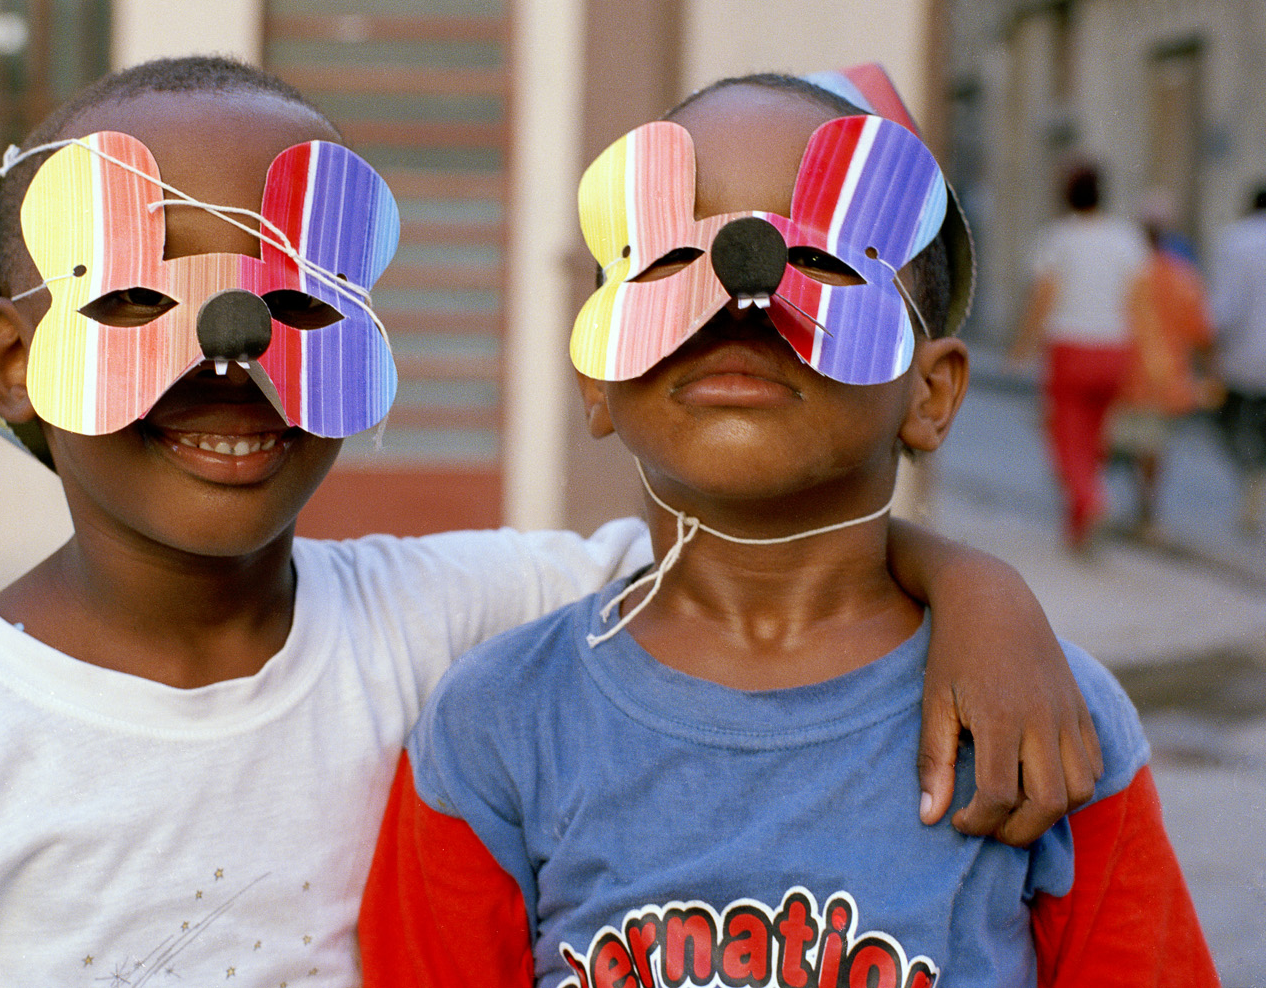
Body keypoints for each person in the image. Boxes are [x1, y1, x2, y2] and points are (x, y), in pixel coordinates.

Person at [0, 57, 1101, 985]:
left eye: (294, 307)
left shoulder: (440, 615)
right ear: (20, 360)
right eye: (141, 305)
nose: (228, 356)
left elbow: (747, 551)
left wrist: (981, 590)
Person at [359, 70, 1215, 986]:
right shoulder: (496, 728)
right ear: (596, 375)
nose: (742, 288)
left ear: (931, 394)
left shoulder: (1043, 724)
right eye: (666, 263)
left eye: (826, 263)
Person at [1011, 164, 1149, 549]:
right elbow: (1138, 301)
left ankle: (1091, 500)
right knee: (1094, 438)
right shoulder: (1127, 238)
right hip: (1115, 349)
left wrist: (1023, 345)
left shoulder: (1057, 237)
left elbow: (1045, 295)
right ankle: (1077, 526)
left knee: (1065, 435)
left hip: (1071, 348)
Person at [1106, 195, 1216, 539]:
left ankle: (1124, 506)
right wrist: (1211, 371)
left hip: (1125, 374)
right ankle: (1146, 511)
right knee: (1153, 448)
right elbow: (1201, 331)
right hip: (1166, 378)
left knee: (1122, 444)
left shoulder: (1126, 273)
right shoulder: (1184, 276)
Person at [1208, 184, 1266, 535]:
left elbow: (1225, 303)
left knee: (1225, 418)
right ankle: (1259, 477)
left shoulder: (1234, 240)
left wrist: (1213, 350)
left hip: (1241, 351)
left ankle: (1250, 473)